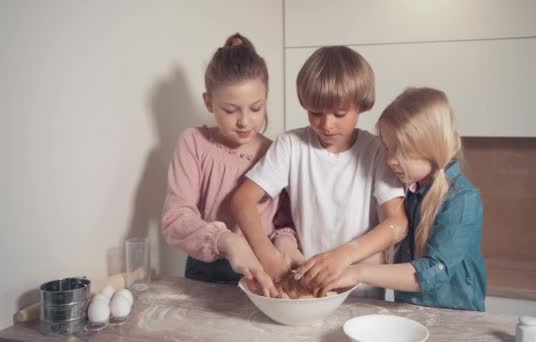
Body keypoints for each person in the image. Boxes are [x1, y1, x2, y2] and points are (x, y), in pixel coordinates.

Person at [232, 46, 408, 298]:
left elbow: (397, 223)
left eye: (339, 114)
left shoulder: (377, 151)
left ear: (361, 106)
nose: (326, 124)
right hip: (306, 293)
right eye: (315, 113)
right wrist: (269, 257)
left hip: (361, 295)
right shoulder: (290, 146)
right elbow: (242, 201)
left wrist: (344, 256)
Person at [320, 87, 486, 311]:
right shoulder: (407, 190)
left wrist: (357, 272)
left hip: (458, 319)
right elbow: (395, 256)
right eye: (387, 148)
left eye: (400, 151)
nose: (390, 160)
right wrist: (337, 268)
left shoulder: (463, 200)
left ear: (431, 147)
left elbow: (432, 271)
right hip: (411, 312)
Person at [161, 33, 302, 292]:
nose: (244, 121)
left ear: (266, 99)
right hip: (206, 270)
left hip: (264, 270)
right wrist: (228, 241)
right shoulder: (193, 143)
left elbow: (285, 223)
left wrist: (285, 245)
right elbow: (176, 219)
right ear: (209, 102)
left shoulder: (275, 151)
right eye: (230, 110)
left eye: (256, 108)